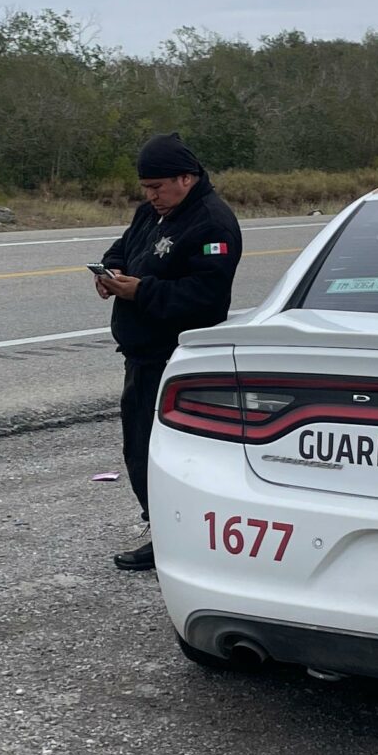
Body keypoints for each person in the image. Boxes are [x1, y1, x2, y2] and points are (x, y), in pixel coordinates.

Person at [96, 133, 242, 571]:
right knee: (138, 449)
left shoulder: (212, 224)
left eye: (158, 187)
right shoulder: (151, 213)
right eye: (145, 187)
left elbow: (207, 298)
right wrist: (110, 271)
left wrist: (142, 291)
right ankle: (161, 528)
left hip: (176, 359)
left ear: (186, 178)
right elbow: (124, 247)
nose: (151, 196)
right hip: (140, 353)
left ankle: (173, 538)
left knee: (166, 455)